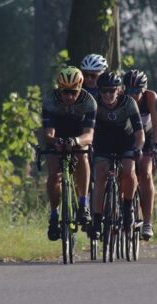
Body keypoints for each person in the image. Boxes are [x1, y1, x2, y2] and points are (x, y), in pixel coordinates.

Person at [42, 66, 97, 241]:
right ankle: (53, 214)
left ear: (80, 88)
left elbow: (89, 135)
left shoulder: (89, 101)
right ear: (59, 88)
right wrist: (55, 142)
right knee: (53, 172)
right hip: (57, 134)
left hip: (78, 135)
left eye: (73, 92)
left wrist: (75, 142)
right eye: (65, 92)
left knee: (82, 156)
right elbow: (48, 133)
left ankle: (83, 203)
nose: (69, 97)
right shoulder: (51, 100)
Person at [91, 71, 144, 238]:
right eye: (104, 91)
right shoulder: (95, 103)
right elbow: (88, 130)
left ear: (119, 90)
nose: (107, 94)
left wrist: (138, 147)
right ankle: (98, 220)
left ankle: (128, 208)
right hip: (103, 141)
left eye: (112, 90)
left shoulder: (128, 103)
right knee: (100, 174)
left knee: (129, 170)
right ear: (99, 91)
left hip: (125, 141)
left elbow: (139, 132)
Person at [123, 69, 157, 239]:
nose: (133, 96)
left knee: (145, 173)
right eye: (129, 91)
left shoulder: (150, 97)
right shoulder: (120, 97)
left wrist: (156, 145)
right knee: (120, 171)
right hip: (127, 136)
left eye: (137, 91)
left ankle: (147, 222)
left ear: (144, 90)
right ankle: (119, 209)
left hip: (148, 136)